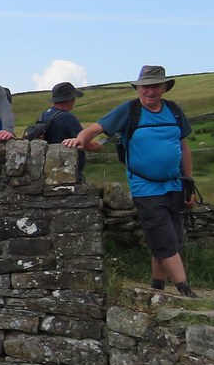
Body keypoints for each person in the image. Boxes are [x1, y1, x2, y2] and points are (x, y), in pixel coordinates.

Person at [63, 65, 197, 297]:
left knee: (171, 238)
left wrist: (189, 182)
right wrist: (80, 139)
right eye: (145, 87)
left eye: (155, 86)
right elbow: (95, 129)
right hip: (145, 187)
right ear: (138, 88)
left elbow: (183, 147)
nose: (150, 91)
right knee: (164, 238)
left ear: (164, 88)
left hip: (175, 184)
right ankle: (185, 290)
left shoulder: (174, 110)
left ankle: (157, 286)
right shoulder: (129, 111)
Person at [31, 82, 98, 182]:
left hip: (47, 168)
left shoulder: (44, 115)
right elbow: (84, 143)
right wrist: (98, 146)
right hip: (66, 170)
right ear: (70, 99)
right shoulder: (68, 118)